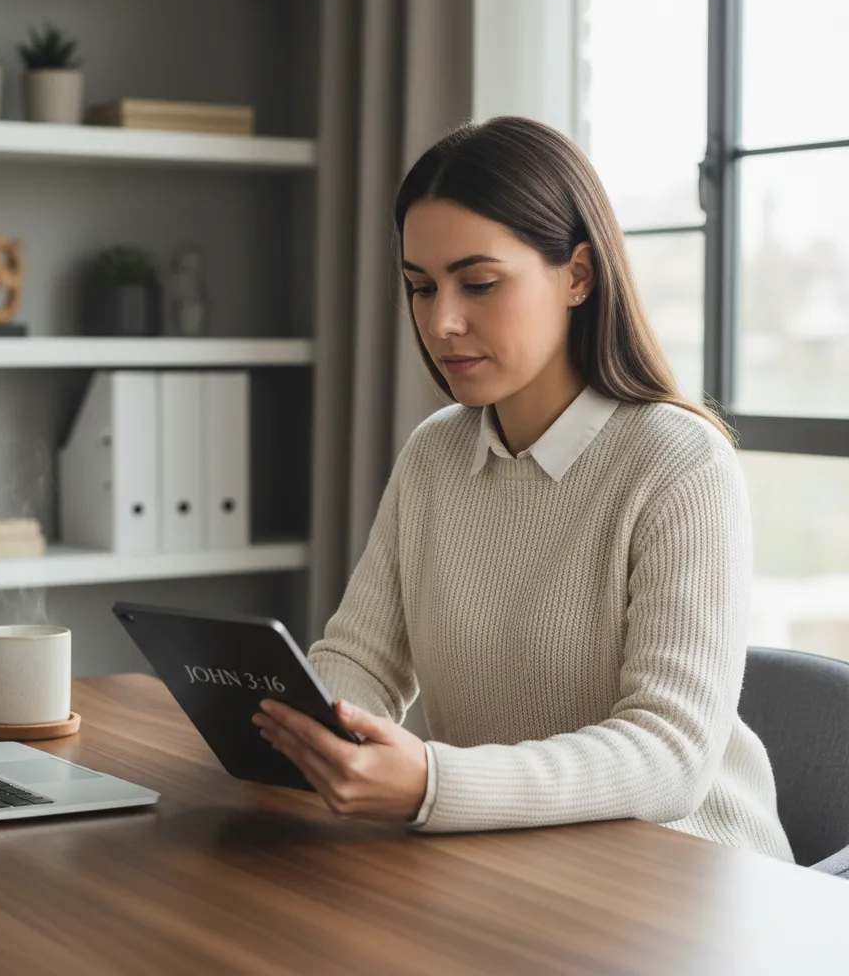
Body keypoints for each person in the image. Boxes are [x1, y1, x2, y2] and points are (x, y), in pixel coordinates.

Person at [252, 116, 793, 862]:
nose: (442, 321)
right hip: (510, 866)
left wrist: (434, 784)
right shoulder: (435, 454)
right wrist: (315, 733)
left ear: (577, 274)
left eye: (478, 283)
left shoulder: (679, 464)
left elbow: (671, 757)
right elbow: (363, 661)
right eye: (420, 287)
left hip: (690, 881)